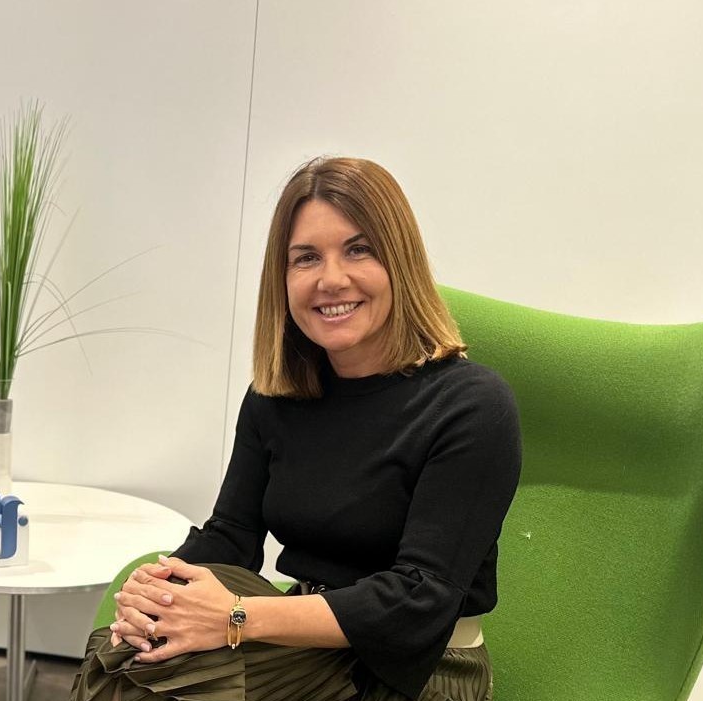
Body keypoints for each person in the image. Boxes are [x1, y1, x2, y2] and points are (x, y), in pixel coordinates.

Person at [73, 157, 521, 701]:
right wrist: (157, 589)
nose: (331, 279)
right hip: (302, 643)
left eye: (358, 249)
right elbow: (231, 536)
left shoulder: (472, 405)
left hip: (419, 667)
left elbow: (419, 599)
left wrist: (236, 616)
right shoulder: (275, 396)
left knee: (145, 687)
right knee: (120, 660)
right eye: (306, 258)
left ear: (400, 262)